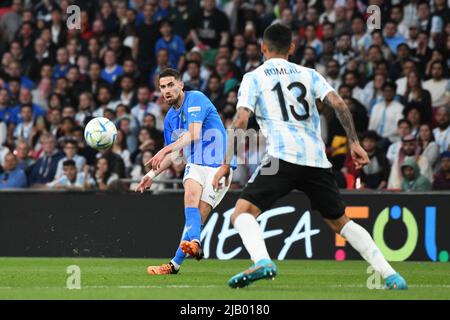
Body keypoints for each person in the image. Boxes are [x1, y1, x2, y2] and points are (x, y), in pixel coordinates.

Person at [212, 23, 407, 290]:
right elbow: (339, 103)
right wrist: (354, 142)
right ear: (292, 47)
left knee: (241, 213)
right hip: (316, 161)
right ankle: (392, 276)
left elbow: (241, 120)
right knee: (342, 222)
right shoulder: (310, 74)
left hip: (281, 158)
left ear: (262, 48)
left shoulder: (254, 77)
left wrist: (226, 163)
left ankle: (262, 261)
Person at [135, 68, 233, 275]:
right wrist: (151, 175)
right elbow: (173, 155)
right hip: (196, 163)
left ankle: (176, 264)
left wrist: (163, 149)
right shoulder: (170, 118)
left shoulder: (196, 98)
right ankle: (195, 245)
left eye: (171, 85)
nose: (167, 90)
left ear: (181, 85)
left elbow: (194, 134)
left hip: (221, 168)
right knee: (190, 195)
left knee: (197, 217)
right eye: (163, 87)